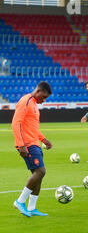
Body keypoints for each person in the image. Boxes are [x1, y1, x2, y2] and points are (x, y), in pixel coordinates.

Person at [12, 82, 53, 217]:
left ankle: (31, 208)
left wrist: (44, 140)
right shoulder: (26, 101)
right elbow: (16, 123)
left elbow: (33, 127)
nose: (44, 100)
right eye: (44, 97)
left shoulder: (34, 104)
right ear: (38, 91)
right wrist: (20, 144)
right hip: (27, 145)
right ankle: (20, 201)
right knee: (41, 172)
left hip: (34, 143)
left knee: (38, 176)